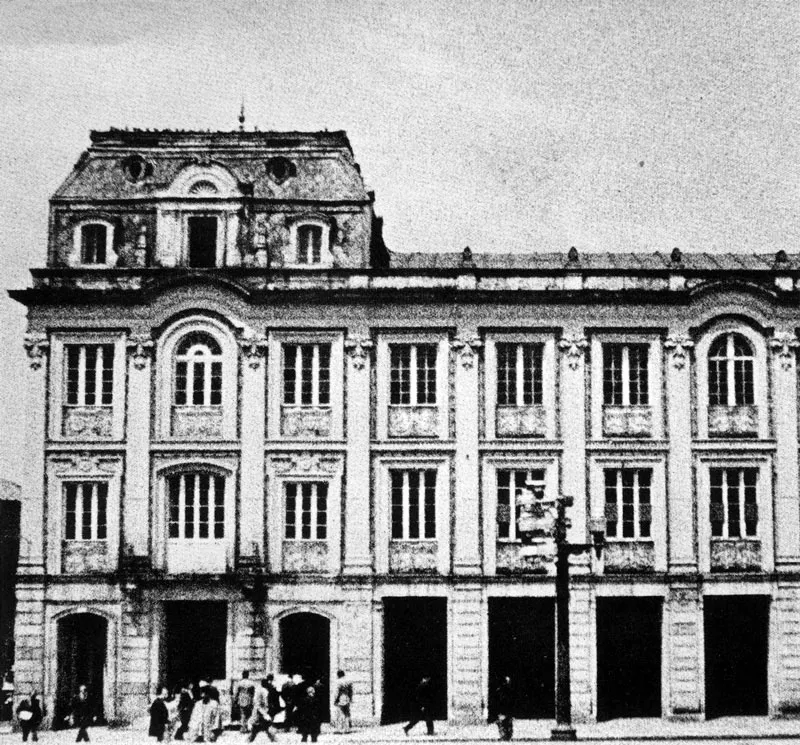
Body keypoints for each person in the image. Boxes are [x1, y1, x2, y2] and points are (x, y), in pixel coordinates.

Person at [248, 678, 275, 743]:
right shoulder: (264, 691)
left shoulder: (258, 690)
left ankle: (248, 741)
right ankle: (274, 740)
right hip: (261, 712)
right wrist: (265, 714)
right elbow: (264, 703)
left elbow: (255, 702)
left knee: (259, 728)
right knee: (266, 727)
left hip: (258, 711)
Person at [494, 676, 514, 741]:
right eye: (507, 681)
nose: (508, 683)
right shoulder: (500, 690)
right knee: (503, 724)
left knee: (507, 724)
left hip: (507, 710)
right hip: (503, 710)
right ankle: (505, 736)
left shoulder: (510, 690)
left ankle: (507, 736)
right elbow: (498, 701)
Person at [333, 670, 353, 734]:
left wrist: (335, 699)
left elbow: (337, 692)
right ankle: (347, 729)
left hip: (341, 698)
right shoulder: (348, 681)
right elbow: (351, 691)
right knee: (347, 714)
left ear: (338, 675)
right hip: (347, 698)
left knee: (340, 714)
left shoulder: (338, 681)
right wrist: (350, 698)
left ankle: (340, 729)